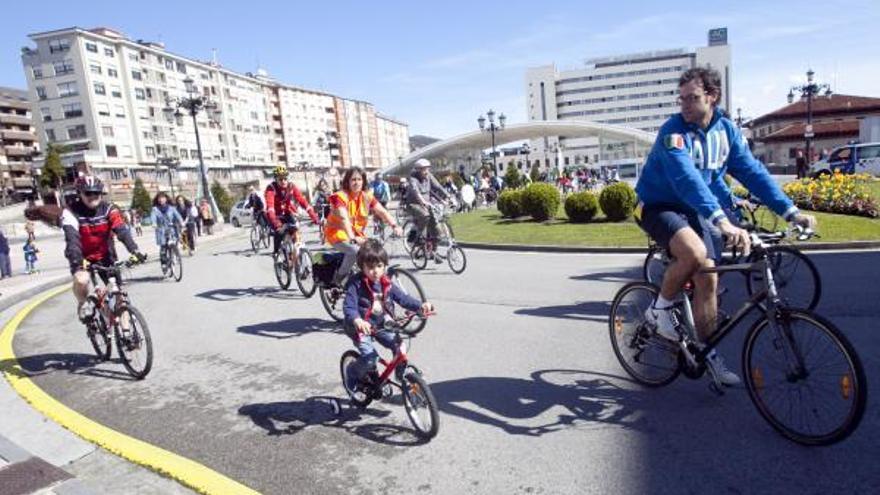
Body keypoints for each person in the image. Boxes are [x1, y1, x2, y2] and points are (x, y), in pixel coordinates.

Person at [634, 67, 816, 386]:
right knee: (693, 252)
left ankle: (708, 353)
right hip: (657, 205)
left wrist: (790, 211)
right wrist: (720, 221)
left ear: (712, 97)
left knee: (709, 281)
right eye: (682, 99)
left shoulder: (727, 132)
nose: (685, 106)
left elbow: (752, 172)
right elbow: (686, 179)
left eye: (692, 98)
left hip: (691, 208)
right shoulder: (673, 133)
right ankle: (658, 310)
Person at [342, 239, 434, 392]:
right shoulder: (355, 284)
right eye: (370, 267)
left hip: (380, 324)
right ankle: (352, 372)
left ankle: (401, 375)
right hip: (359, 327)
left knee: (400, 347)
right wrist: (357, 320)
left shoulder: (386, 282)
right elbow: (349, 307)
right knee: (370, 358)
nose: (376, 271)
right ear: (361, 266)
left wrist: (420, 305)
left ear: (385, 265)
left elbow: (403, 299)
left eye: (379, 266)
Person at [60, 175, 146, 323]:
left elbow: (121, 230)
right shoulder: (71, 212)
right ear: (79, 194)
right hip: (82, 257)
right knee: (81, 280)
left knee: (120, 295)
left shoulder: (108, 209)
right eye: (88, 193)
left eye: (96, 193)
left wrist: (135, 251)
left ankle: (127, 335)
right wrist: (78, 262)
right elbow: (72, 239)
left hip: (106, 255)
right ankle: (82, 303)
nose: (93, 196)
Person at [324, 167, 402, 284]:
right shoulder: (339, 196)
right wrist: (352, 238)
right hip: (337, 233)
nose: (357, 182)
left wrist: (395, 225)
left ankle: (365, 281)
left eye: (359, 179)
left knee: (375, 252)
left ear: (363, 181)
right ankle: (338, 279)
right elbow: (344, 218)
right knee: (354, 251)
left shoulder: (366, 196)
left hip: (356, 234)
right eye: (353, 180)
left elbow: (382, 211)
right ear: (347, 182)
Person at [264, 165, 320, 256]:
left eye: (285, 178)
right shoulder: (271, 188)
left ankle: (295, 256)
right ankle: (276, 253)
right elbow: (270, 207)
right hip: (275, 215)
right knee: (279, 232)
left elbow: (302, 201)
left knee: (295, 231)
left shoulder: (291, 186)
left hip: (287, 213)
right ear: (276, 179)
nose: (283, 181)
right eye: (280, 179)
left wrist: (313, 216)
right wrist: (276, 223)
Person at [405, 159, 451, 263]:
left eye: (427, 169)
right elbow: (416, 192)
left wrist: (448, 196)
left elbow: (438, 186)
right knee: (425, 216)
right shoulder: (413, 179)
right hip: (414, 204)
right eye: (423, 169)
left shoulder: (429, 176)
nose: (426, 171)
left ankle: (433, 253)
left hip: (427, 204)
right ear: (417, 170)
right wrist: (423, 201)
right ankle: (419, 237)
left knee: (437, 232)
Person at [150, 192, 184, 269]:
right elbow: (153, 217)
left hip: (171, 228)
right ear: (157, 200)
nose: (161, 200)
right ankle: (164, 263)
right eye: (159, 198)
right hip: (161, 230)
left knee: (174, 242)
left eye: (163, 198)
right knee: (163, 247)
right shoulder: (155, 209)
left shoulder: (171, 208)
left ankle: (175, 255)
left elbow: (178, 216)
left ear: (166, 199)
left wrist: (181, 222)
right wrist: (154, 223)